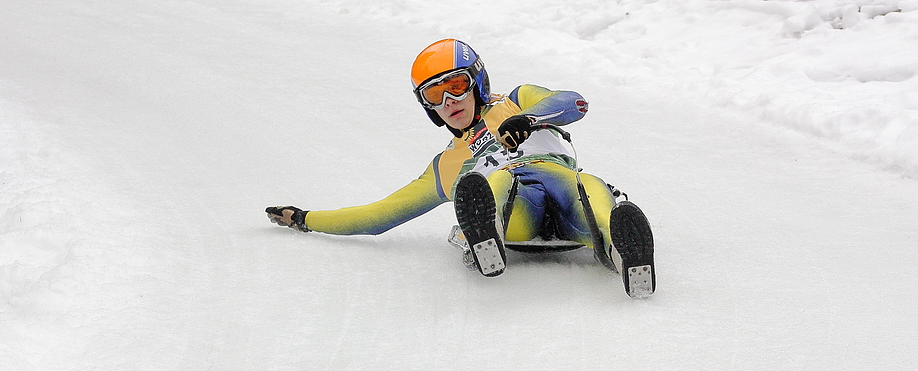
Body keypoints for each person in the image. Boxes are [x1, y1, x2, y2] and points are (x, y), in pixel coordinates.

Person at [267, 39, 655, 297]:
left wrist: (530, 119)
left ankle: (623, 254)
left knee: (588, 185)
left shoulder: (517, 100)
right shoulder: (444, 166)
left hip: (563, 185)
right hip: (517, 207)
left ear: (478, 82)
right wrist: (307, 218)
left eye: (455, 85)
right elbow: (378, 216)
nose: (449, 100)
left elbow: (576, 103)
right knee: (494, 178)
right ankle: (488, 235)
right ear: (428, 108)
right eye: (435, 96)